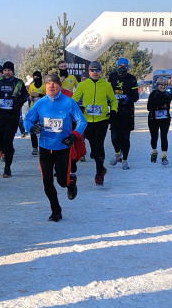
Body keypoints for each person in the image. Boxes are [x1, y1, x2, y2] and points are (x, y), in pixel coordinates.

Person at [24, 73, 86, 221]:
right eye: (48, 83)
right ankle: (56, 209)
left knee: (62, 182)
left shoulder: (69, 102)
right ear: (45, 87)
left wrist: (73, 135)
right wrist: (31, 128)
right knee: (47, 181)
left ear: (60, 86)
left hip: (62, 147)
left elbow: (82, 121)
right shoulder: (40, 103)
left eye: (54, 83)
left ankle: (71, 181)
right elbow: (27, 119)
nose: (51, 85)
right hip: (45, 147)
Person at [73, 61, 117, 185]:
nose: (95, 72)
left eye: (97, 70)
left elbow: (113, 100)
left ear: (101, 71)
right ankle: (101, 168)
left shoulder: (106, 85)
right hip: (87, 121)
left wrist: (113, 111)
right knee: (93, 146)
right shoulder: (82, 85)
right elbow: (73, 101)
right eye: (92, 70)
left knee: (99, 144)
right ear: (88, 72)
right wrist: (78, 108)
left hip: (102, 120)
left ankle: (99, 173)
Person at [0, 61, 29, 178]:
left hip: (12, 115)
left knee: (8, 141)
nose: (7, 72)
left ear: (12, 71)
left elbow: (25, 95)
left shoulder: (18, 83)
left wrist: (18, 102)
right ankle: (5, 150)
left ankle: (7, 168)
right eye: (5, 70)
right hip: (0, 115)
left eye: (9, 70)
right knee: (0, 141)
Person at [107, 58, 139, 170]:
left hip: (127, 112)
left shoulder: (132, 78)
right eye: (120, 65)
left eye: (124, 66)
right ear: (117, 66)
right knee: (114, 136)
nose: (122, 68)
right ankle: (117, 152)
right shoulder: (112, 77)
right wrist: (108, 100)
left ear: (127, 67)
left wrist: (126, 99)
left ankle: (125, 160)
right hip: (115, 111)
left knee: (125, 137)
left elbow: (136, 96)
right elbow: (108, 92)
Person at [147, 78, 172, 164]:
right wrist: (159, 107)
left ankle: (164, 156)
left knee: (164, 136)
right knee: (154, 137)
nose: (163, 86)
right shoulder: (153, 94)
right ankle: (154, 152)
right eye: (161, 84)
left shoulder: (168, 95)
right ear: (157, 85)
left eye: (165, 84)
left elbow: (167, 106)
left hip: (165, 119)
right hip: (153, 119)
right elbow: (149, 107)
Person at [27, 71, 45, 155]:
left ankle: (44, 146)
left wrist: (39, 94)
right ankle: (34, 148)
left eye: (37, 77)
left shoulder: (44, 85)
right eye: (34, 77)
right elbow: (28, 95)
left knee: (44, 128)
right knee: (32, 128)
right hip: (33, 110)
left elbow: (48, 96)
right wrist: (30, 97)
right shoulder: (31, 86)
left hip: (43, 110)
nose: (35, 79)